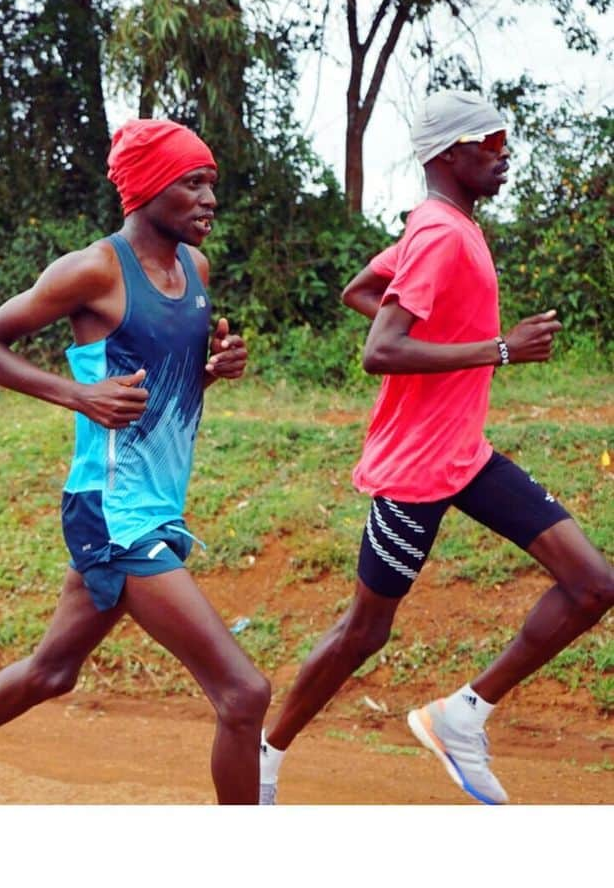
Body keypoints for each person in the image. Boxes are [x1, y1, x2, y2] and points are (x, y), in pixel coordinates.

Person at [258, 89, 614, 805]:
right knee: (364, 633)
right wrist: (499, 351)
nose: (504, 157)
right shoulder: (442, 234)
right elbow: (379, 347)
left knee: (594, 585)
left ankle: (463, 716)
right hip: (418, 469)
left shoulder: (443, 225)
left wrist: (463, 346)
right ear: (452, 153)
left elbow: (363, 289)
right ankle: (264, 758)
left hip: (465, 456)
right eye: (492, 144)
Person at [0, 119, 270, 805]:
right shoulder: (93, 269)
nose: (208, 198)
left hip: (157, 503)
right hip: (113, 509)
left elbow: (164, 376)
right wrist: (78, 394)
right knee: (244, 691)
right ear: (146, 189)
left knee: (53, 672)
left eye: (211, 184)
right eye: (192, 183)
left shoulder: (196, 270)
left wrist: (213, 369)